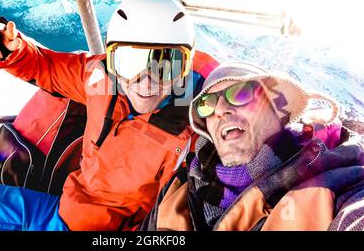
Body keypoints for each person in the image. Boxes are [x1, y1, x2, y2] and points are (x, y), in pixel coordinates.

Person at [0, 0, 218, 231]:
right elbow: (46, 66)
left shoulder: (195, 125)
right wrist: (10, 50)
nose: (146, 81)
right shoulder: (101, 79)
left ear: (187, 65)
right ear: (112, 58)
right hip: (59, 210)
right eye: (129, 61)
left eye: (167, 64)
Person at [140, 61, 364, 231]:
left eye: (240, 93)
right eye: (207, 104)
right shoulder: (180, 187)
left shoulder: (336, 188)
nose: (219, 110)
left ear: (277, 109)